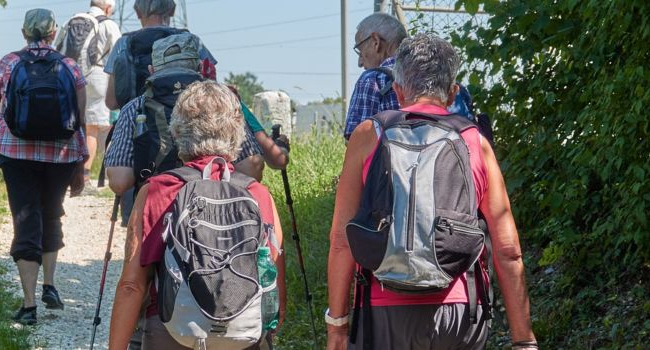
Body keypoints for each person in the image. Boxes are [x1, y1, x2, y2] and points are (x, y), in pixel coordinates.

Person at [324, 33, 537, 349]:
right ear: (453, 94)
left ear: (397, 91)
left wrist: (338, 328)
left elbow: (342, 239)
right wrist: (523, 339)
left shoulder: (368, 135)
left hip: (383, 307)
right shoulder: (474, 142)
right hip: (460, 310)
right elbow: (507, 250)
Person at [107, 80, 286, 350]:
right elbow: (273, 285)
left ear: (177, 130)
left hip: (171, 332)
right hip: (242, 336)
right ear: (238, 131)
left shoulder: (159, 190)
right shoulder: (258, 194)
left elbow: (132, 286)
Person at [0, 8, 88, 325]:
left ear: (24, 33)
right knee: (51, 213)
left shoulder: (9, 64)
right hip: (61, 156)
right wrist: (81, 165)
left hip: (17, 154)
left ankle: (29, 305)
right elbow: (80, 121)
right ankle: (50, 285)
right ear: (54, 34)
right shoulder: (70, 66)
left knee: (25, 219)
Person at [102, 33, 265, 216]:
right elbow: (252, 169)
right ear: (200, 67)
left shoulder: (135, 108)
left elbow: (119, 182)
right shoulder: (224, 103)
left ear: (151, 69)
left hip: (156, 208)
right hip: (216, 209)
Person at [55, 0, 123, 186]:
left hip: (70, 75)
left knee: (71, 125)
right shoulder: (108, 24)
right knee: (91, 129)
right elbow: (119, 53)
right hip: (97, 78)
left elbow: (57, 48)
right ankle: (84, 176)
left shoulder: (71, 21)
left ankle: (65, 172)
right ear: (108, 8)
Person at [343, 13, 407, 141]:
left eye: (360, 51)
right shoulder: (434, 75)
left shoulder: (373, 80)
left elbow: (357, 143)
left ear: (375, 42)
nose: (360, 62)